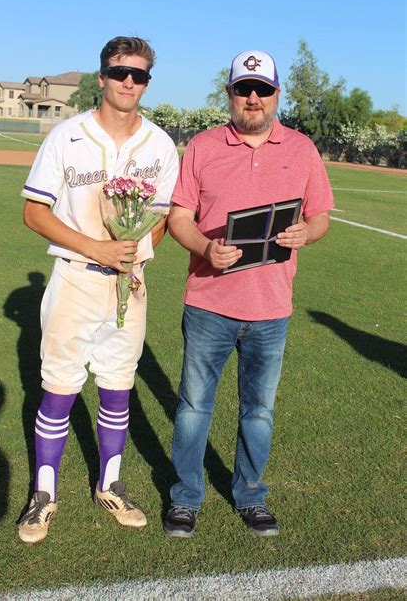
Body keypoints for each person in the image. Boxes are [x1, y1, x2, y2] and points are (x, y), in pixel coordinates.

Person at [164, 50, 334, 538]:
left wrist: (308, 232)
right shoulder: (201, 145)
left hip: (271, 307)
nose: (253, 98)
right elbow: (178, 216)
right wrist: (203, 246)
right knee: (195, 406)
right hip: (209, 303)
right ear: (230, 94)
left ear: (278, 94)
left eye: (262, 89)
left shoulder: (302, 149)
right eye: (244, 89)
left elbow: (319, 215)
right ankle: (186, 498)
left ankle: (250, 495)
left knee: (259, 409)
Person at [17, 36, 179, 544]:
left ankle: (110, 483)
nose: (129, 82)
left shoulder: (159, 144)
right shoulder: (67, 137)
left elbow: (164, 217)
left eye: (140, 75)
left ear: (147, 82)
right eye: (120, 72)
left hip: (130, 283)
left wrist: (132, 250)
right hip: (74, 280)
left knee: (118, 384)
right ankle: (44, 494)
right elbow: (34, 213)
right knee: (60, 387)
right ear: (103, 76)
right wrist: (95, 247)